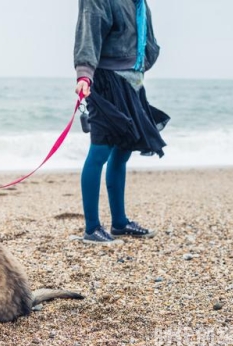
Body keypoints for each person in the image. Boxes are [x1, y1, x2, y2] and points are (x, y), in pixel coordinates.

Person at [74, 0, 170, 244]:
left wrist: (140, 66)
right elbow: (89, 31)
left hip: (133, 83)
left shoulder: (139, 2)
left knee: (123, 151)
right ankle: (92, 228)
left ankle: (119, 223)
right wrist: (85, 75)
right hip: (106, 81)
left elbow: (147, 41)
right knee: (100, 152)